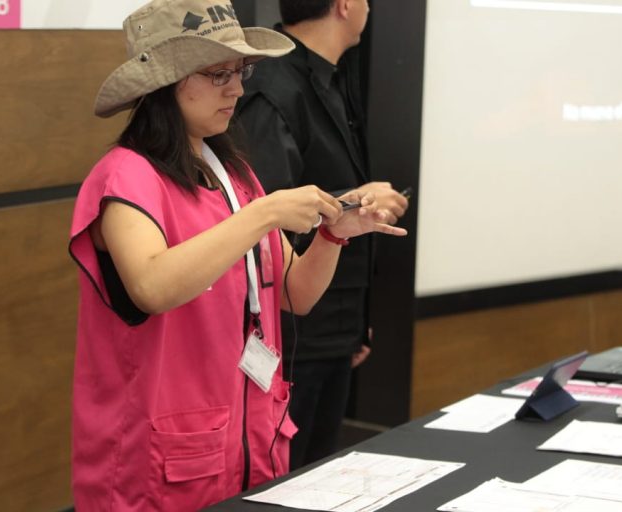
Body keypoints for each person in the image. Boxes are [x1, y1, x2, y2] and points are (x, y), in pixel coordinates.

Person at [67, 0, 406, 510]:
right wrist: (263, 215)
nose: (238, 88)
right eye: (219, 73)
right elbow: (152, 286)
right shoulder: (126, 175)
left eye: (241, 71)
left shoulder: (233, 174)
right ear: (166, 81)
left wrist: (336, 233)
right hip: (159, 463)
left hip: (246, 444)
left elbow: (296, 294)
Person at [235, 0, 410, 470]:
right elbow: (265, 209)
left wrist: (359, 319)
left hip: (335, 323)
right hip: (295, 331)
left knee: (322, 473)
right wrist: (355, 197)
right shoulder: (272, 87)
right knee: (289, 479)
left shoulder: (333, 76)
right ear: (344, 5)